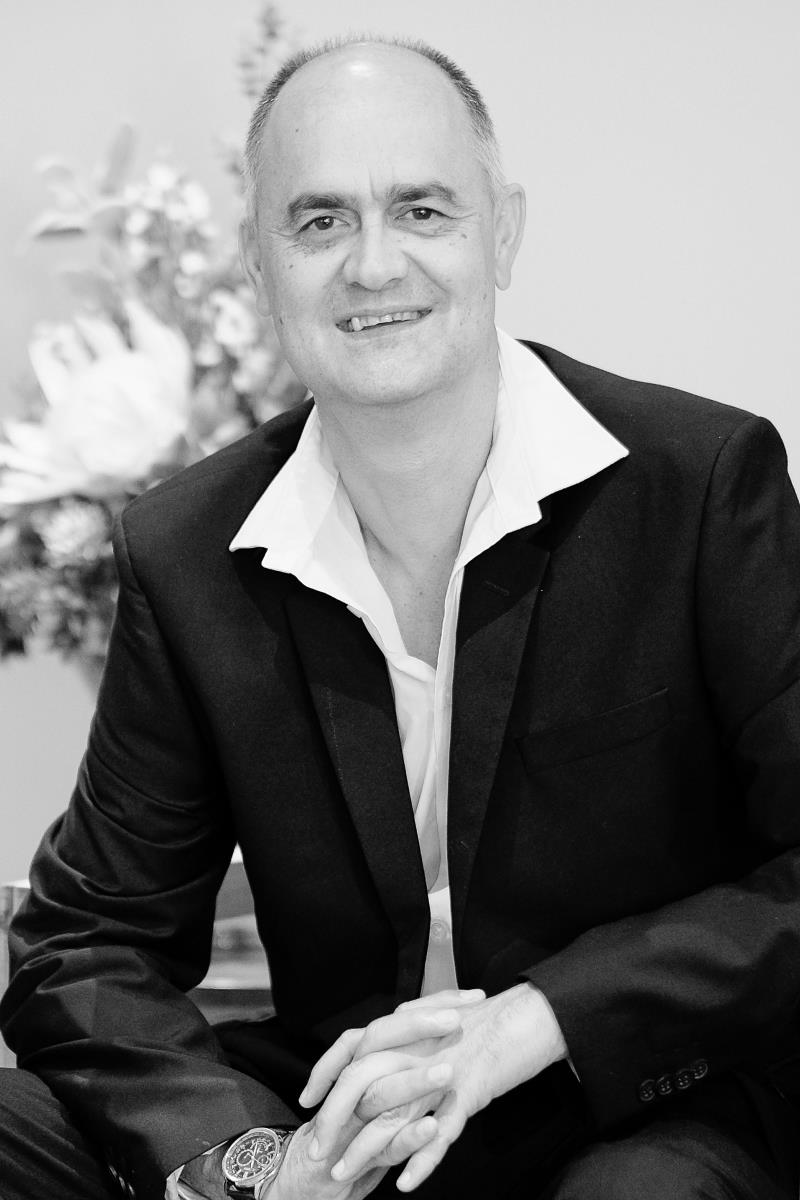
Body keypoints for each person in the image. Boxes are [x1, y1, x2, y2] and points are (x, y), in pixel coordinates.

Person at [2, 32, 800, 1200]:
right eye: (320, 221)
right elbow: (83, 944)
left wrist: (544, 1016)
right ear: (258, 265)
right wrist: (247, 1164)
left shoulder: (700, 483)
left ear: (502, 233)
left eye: (421, 210)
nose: (373, 264)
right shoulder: (188, 548)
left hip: (633, 1098)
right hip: (337, 1109)